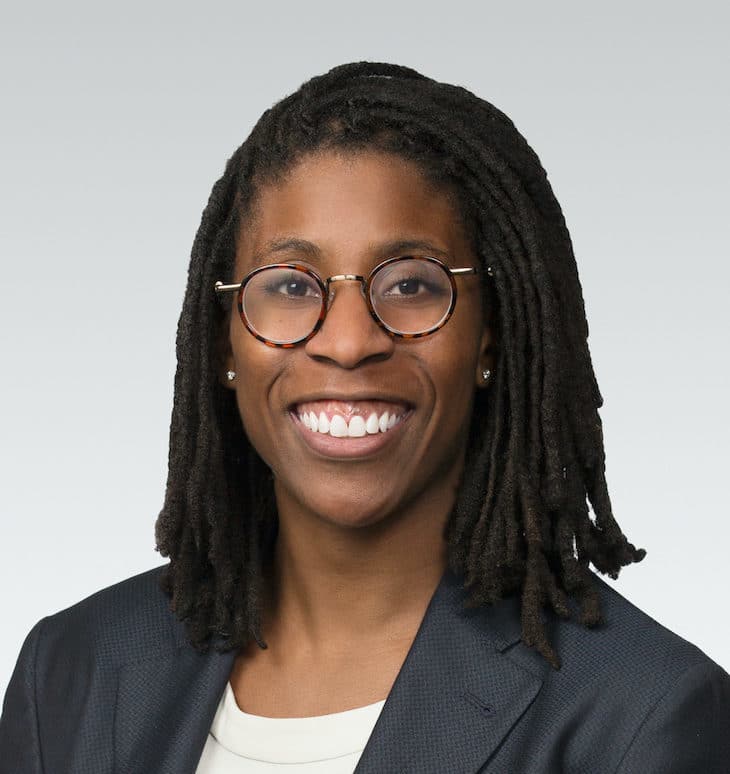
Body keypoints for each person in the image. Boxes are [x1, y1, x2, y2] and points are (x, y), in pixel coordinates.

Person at [1, 60, 728, 774]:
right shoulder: (70, 672)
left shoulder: (642, 718)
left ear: (491, 336)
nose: (348, 341)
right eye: (289, 285)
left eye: (412, 283)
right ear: (224, 339)